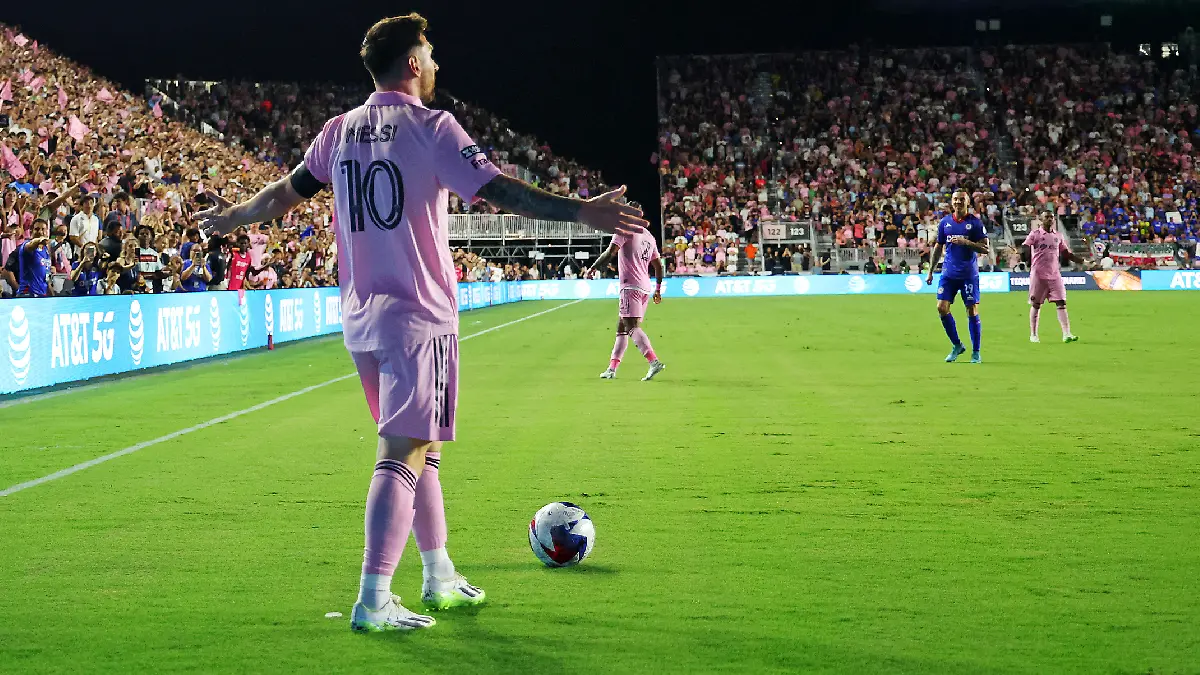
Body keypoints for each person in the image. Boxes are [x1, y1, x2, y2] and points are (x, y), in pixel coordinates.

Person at [194, 13, 646, 633]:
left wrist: (233, 217)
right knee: (402, 454)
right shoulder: (432, 127)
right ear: (410, 62)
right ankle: (374, 600)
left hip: (361, 318)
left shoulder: (338, 131)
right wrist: (581, 212)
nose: (436, 64)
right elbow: (500, 191)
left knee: (422, 452)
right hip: (417, 315)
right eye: (430, 53)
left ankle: (438, 577)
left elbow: (281, 195)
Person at [588, 227, 666, 381]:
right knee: (622, 328)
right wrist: (657, 289)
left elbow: (611, 251)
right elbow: (658, 265)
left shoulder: (624, 230)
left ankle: (653, 361)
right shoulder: (649, 235)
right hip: (644, 288)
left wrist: (593, 267)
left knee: (631, 327)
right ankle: (612, 369)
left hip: (630, 286)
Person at [926, 190, 989, 364]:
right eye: (955, 199)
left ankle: (976, 352)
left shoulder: (975, 223)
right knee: (941, 308)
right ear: (951, 202)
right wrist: (931, 270)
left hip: (968, 274)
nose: (958, 202)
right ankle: (957, 345)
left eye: (961, 199)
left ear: (967, 202)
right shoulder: (945, 223)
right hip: (948, 274)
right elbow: (938, 247)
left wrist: (967, 242)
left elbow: (986, 249)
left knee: (971, 310)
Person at [1023, 218, 1081, 343]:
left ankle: (1067, 334)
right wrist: (1022, 254)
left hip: (1055, 274)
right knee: (1036, 304)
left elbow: (1066, 253)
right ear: (1041, 220)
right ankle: (1033, 334)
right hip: (1038, 274)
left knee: (1061, 302)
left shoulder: (1058, 236)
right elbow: (1025, 247)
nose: (1049, 220)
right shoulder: (1035, 234)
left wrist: (1081, 261)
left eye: (1051, 218)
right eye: (1046, 217)